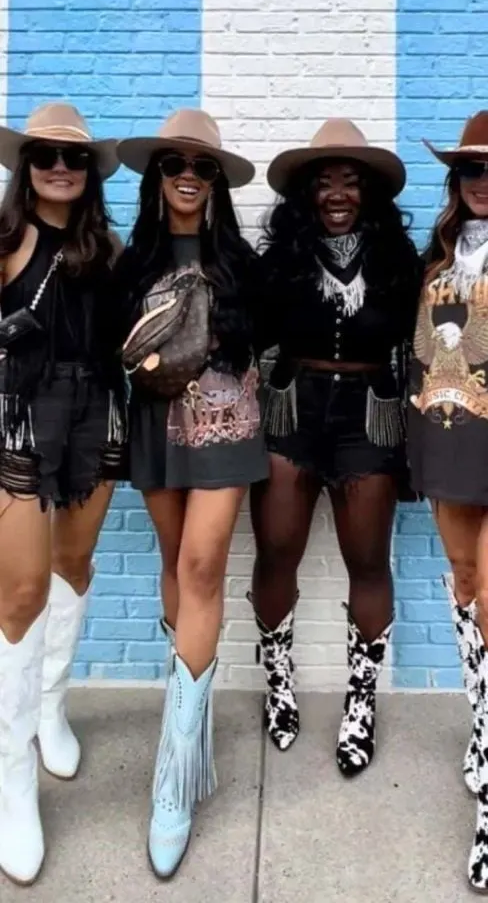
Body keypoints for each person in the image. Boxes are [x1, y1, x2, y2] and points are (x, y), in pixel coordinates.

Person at [114, 107, 268, 879]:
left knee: (204, 566)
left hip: (227, 425)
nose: (187, 174)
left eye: (202, 165)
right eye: (175, 162)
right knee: (176, 566)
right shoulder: (129, 259)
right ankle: (194, 727)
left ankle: (174, 777)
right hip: (153, 430)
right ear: (158, 176)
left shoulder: (240, 259)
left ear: (215, 182)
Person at [249, 118, 422, 774]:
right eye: (325, 182)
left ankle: (360, 701)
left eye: (351, 180)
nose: (339, 193)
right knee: (277, 551)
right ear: (307, 195)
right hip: (292, 409)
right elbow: (246, 335)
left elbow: (433, 341)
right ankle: (280, 684)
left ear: (369, 193)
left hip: (370, 417)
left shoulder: (400, 264)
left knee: (368, 560)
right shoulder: (280, 262)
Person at [0, 102, 127, 885]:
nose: (59, 168)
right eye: (45, 155)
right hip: (21, 412)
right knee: (17, 593)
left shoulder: (105, 247)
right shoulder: (7, 237)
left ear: (89, 176)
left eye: (72, 159)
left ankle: (51, 706)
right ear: (26, 165)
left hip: (95, 412)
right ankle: (12, 775)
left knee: (73, 569)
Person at [408, 111, 488, 892]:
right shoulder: (436, 259)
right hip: (448, 436)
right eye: (469, 170)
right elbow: (424, 351)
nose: (480, 182)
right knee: (464, 584)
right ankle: (481, 728)